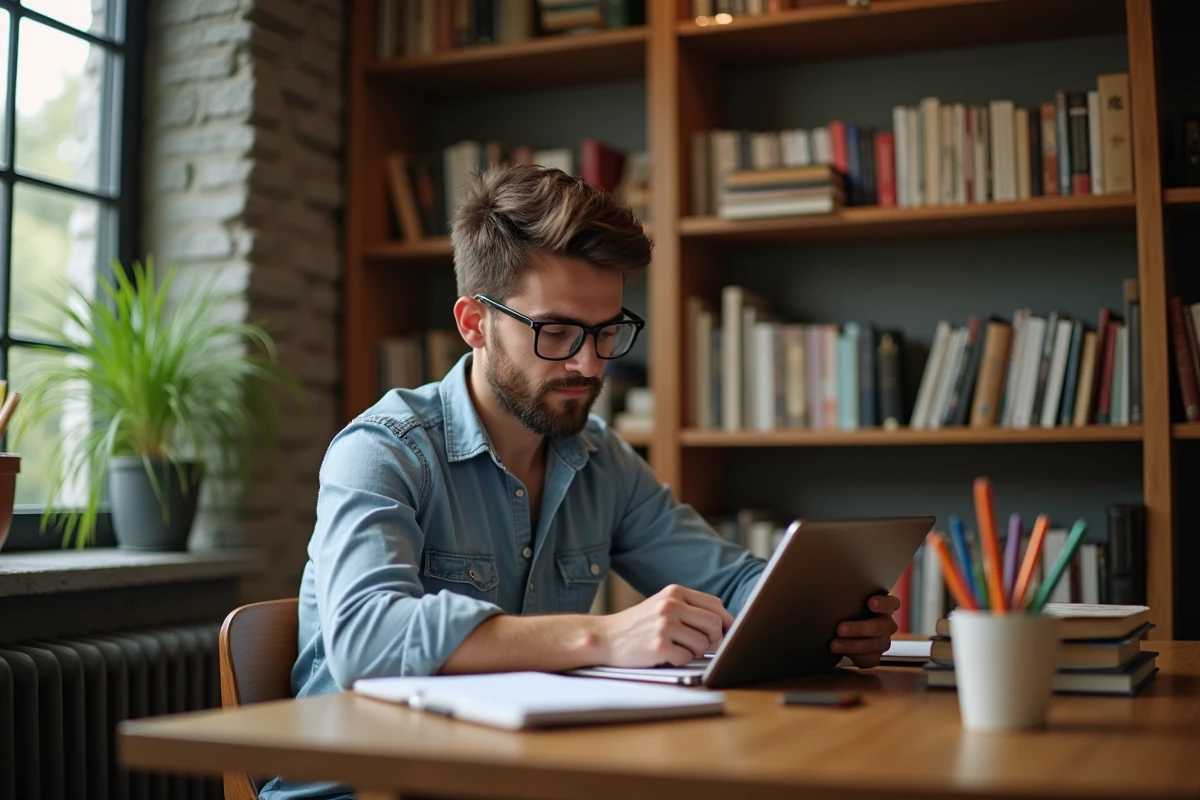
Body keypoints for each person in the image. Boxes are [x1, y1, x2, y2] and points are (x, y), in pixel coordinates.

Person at [260, 163, 900, 800]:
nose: (588, 364)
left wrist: (823, 620)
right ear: (474, 324)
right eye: (557, 332)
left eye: (606, 332)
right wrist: (606, 636)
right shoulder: (383, 452)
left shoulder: (603, 461)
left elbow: (732, 582)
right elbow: (366, 639)